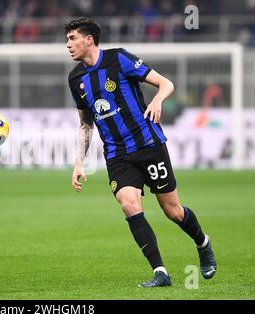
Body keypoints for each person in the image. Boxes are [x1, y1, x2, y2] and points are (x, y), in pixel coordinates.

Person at [65, 17, 216, 287]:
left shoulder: (119, 59)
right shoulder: (75, 78)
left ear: (89, 39)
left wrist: (157, 99)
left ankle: (202, 242)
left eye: (73, 38)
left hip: (148, 145)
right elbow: (86, 124)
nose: (68, 44)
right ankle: (161, 271)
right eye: (67, 39)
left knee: (173, 211)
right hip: (117, 155)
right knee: (129, 205)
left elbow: (166, 83)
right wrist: (78, 162)